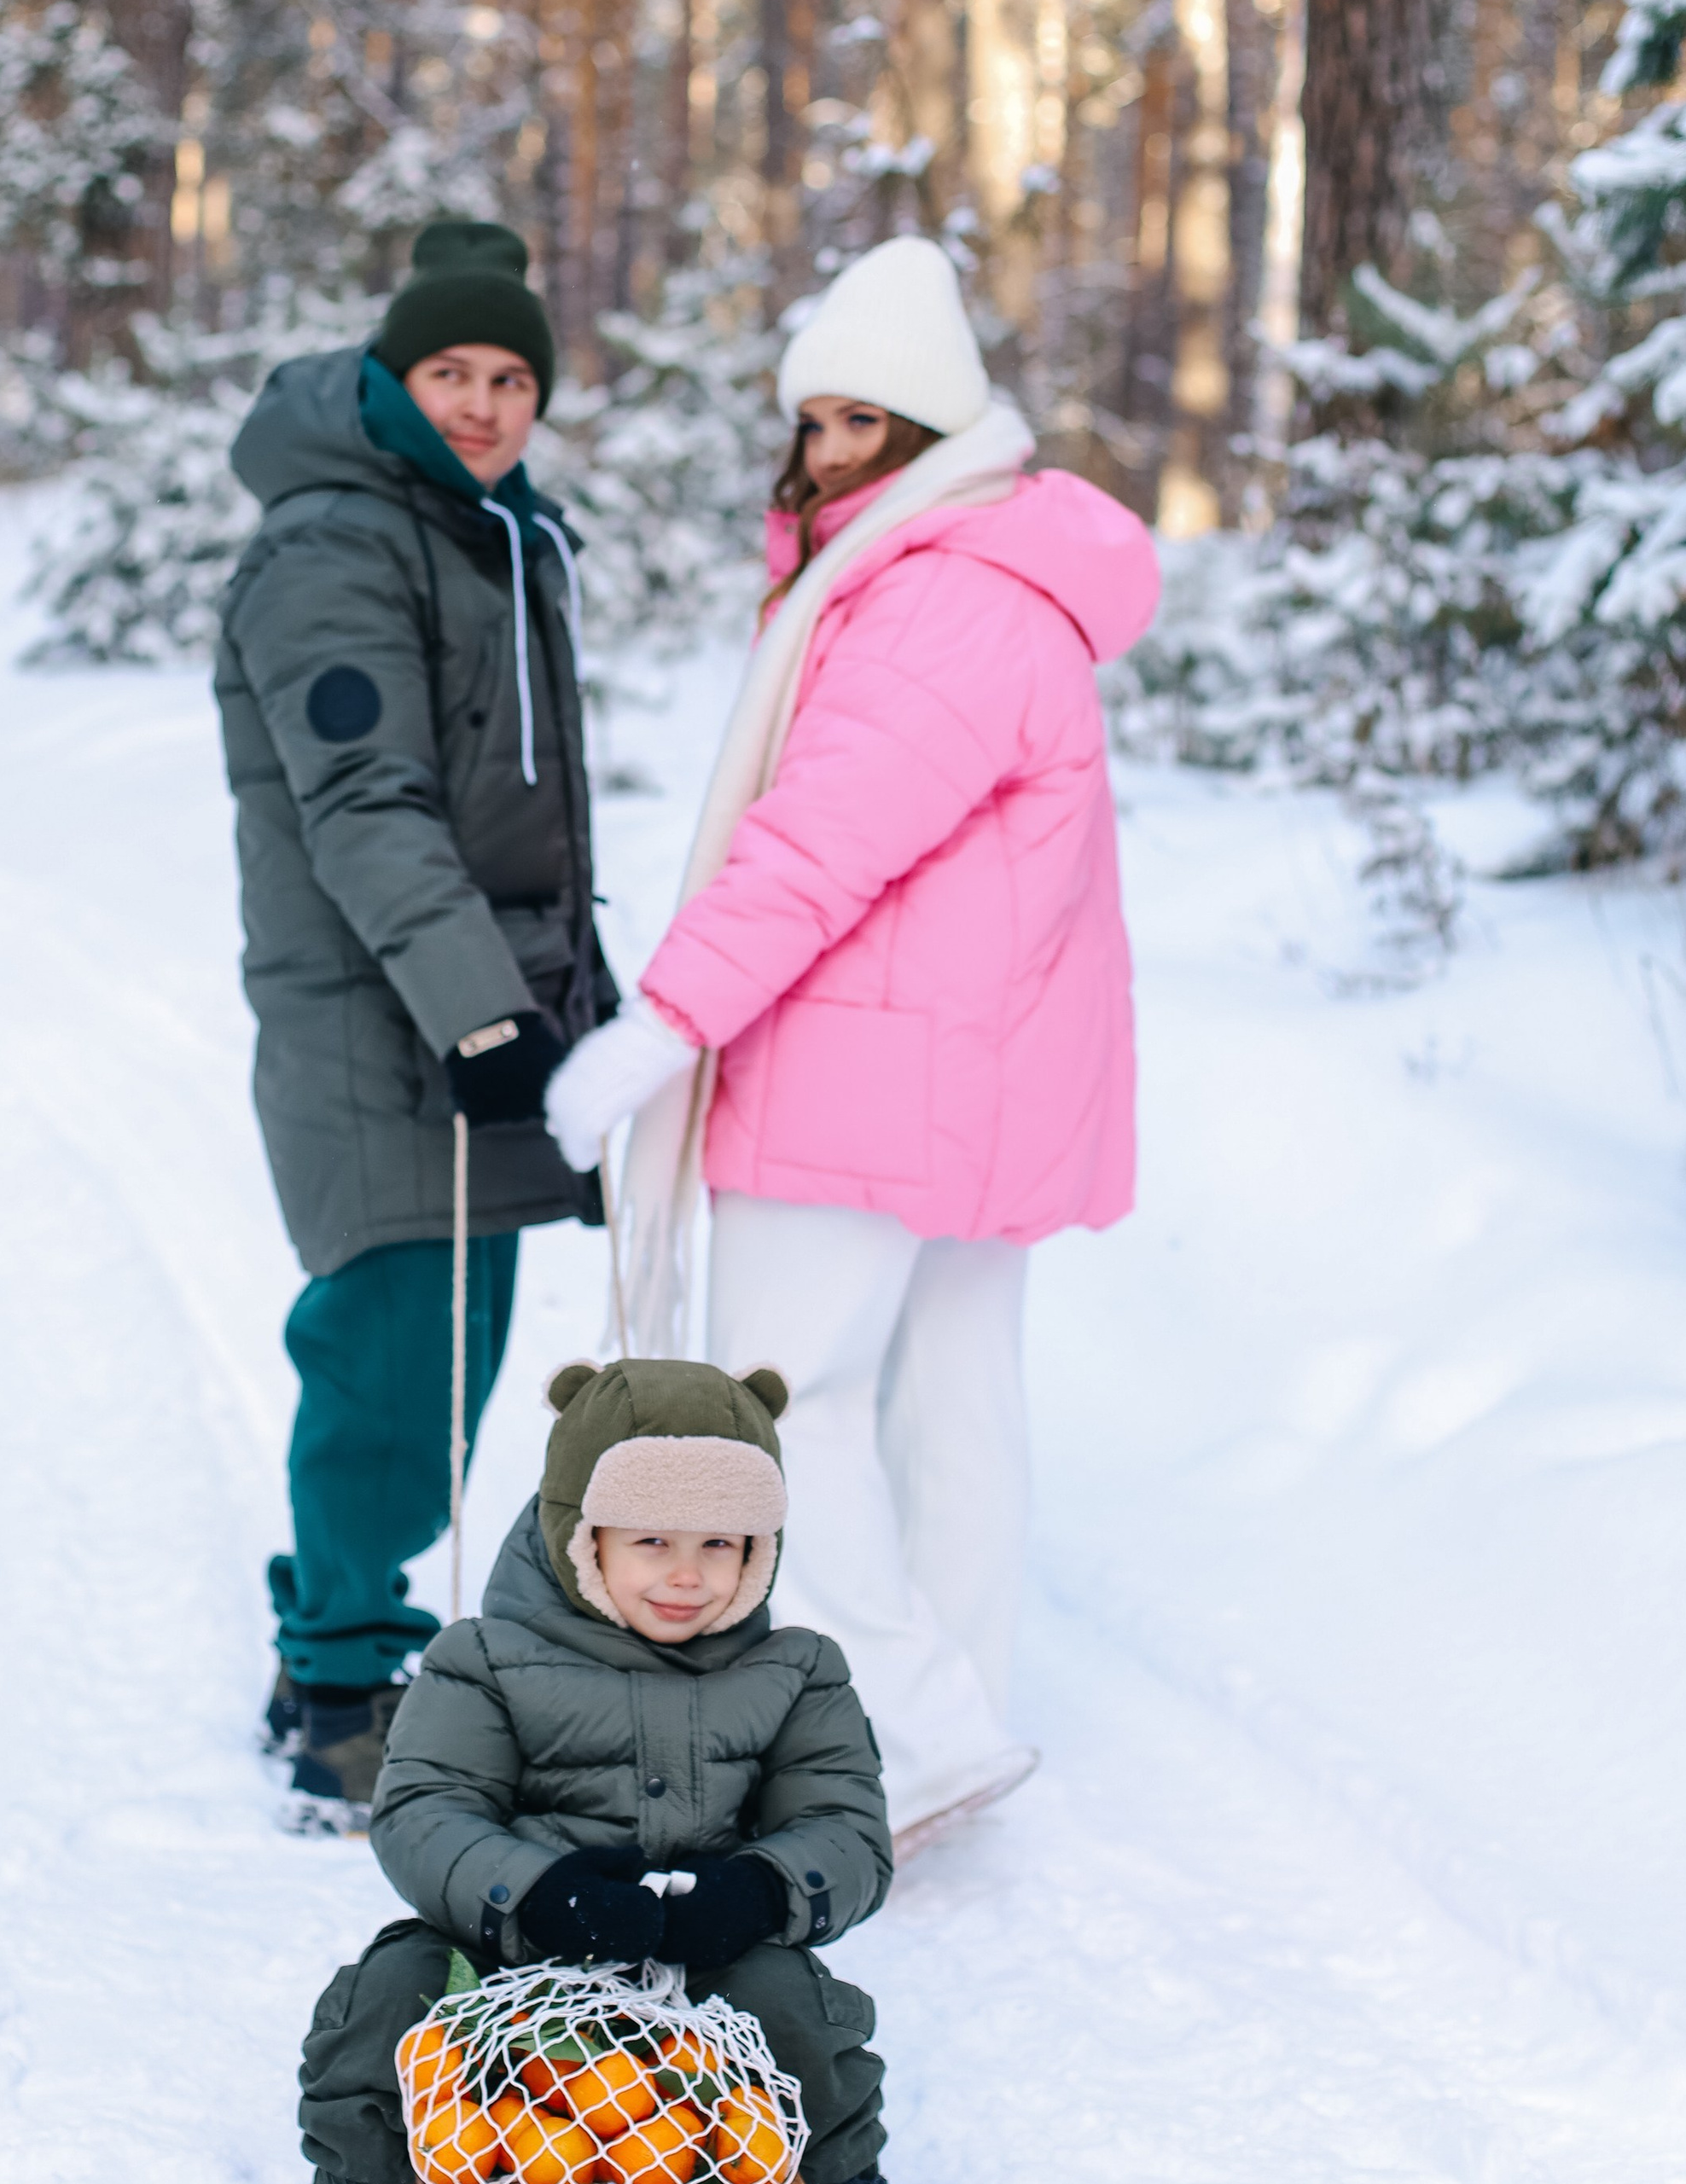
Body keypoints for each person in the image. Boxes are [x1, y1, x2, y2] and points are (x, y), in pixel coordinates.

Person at [544, 235, 1160, 1856]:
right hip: (972, 1076)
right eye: (810, 421)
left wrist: (663, 1023)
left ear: (931, 432)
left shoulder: (937, 598)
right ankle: (946, 1724)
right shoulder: (991, 573)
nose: (822, 456)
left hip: (871, 1078)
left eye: (856, 425)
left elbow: (813, 846)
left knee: (772, 1406)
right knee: (949, 1399)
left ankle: (916, 1727)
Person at [215, 219, 616, 1831]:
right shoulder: (337, 543)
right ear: (390, 378)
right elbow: (367, 804)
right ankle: (336, 1695)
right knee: (388, 1355)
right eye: (450, 371)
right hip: (387, 1014)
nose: (482, 402)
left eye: (511, 376)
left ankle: (338, 1637)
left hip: (472, 1006)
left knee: (453, 1356)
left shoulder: (485, 532)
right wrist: (478, 1014)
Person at [294, 1357, 889, 2184]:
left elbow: (846, 1825)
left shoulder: (797, 1672)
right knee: (390, 2001)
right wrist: (534, 1891)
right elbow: (425, 1809)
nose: (687, 1574)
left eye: (719, 1543)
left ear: (760, 1546)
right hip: (510, 1939)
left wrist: (761, 1888)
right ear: (579, 1533)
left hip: (704, 1947)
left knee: (796, 2016)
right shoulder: (483, 1659)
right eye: (651, 1540)